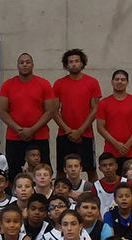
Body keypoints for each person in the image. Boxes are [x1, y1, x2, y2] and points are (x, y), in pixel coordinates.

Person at [0, 53, 58, 182]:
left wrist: (32, 130)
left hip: (39, 136)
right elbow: (2, 111)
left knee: (43, 172)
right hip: (15, 136)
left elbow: (50, 110)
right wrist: (19, 130)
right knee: (14, 172)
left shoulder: (44, 84)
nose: (25, 64)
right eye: (22, 62)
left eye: (28, 62)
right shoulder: (8, 85)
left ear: (32, 65)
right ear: (17, 66)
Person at [53, 49, 101, 182]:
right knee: (61, 171)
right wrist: (69, 131)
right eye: (70, 62)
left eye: (76, 61)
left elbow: (95, 109)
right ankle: (60, 198)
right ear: (66, 65)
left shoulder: (92, 82)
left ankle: (94, 198)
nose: (74, 64)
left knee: (91, 170)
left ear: (82, 63)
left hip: (85, 134)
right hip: (64, 135)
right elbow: (54, 111)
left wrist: (80, 131)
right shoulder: (59, 84)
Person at [96, 70, 132, 174]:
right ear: (112, 82)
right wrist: (116, 144)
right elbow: (100, 127)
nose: (119, 82)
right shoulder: (104, 103)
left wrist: (127, 145)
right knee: (113, 184)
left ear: (127, 83)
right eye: (117, 79)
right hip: (111, 151)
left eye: (123, 80)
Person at [91, 152, 129, 217]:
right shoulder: (96, 186)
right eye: (104, 165)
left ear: (116, 166)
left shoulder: (127, 183)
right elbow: (94, 209)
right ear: (100, 168)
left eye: (111, 165)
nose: (108, 168)